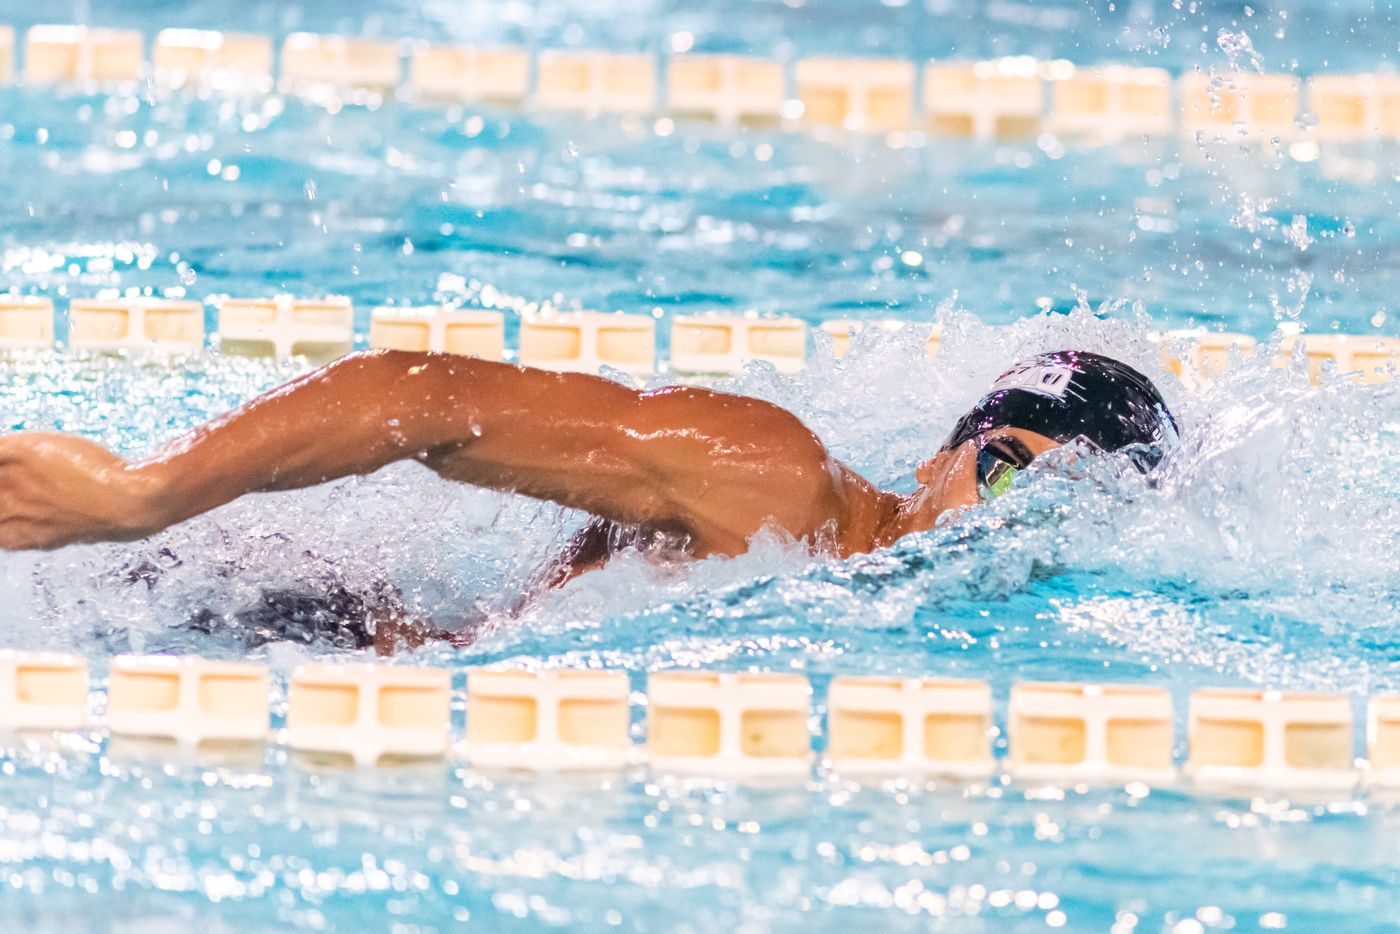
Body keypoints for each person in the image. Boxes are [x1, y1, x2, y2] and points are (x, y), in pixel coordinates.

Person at [0, 347, 1177, 650]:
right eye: (1011, 468)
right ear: (945, 453)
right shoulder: (773, 482)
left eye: (1071, 507)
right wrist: (142, 496)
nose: (1014, 515)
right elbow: (428, 396)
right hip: (294, 642)